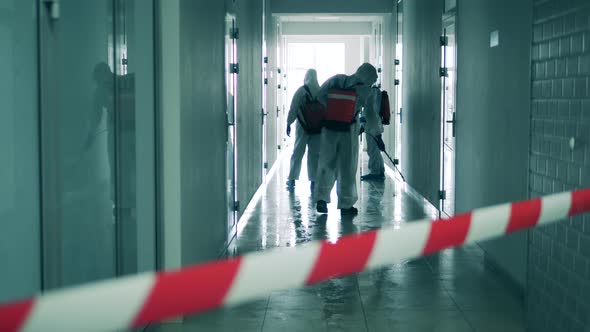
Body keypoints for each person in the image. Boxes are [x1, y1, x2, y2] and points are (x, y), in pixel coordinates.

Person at [314, 63, 378, 215]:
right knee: (347, 167)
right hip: (349, 130)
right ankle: (346, 204)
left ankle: (321, 199)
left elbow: (320, 96)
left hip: (329, 128)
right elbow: (371, 115)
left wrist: (332, 110)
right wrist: (375, 132)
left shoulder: (337, 80)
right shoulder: (367, 91)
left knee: (326, 163)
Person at [286, 69, 322, 191]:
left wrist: (288, 123)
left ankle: (292, 179)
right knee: (314, 155)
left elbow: (293, 108)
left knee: (297, 152)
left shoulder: (301, 91)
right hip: (317, 128)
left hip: (302, 127)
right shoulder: (321, 91)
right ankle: (314, 180)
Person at [360, 86, 386, 181]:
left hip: (372, 126)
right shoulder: (375, 92)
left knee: (372, 149)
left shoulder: (371, 94)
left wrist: (363, 124)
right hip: (373, 124)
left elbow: (369, 111)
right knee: (375, 149)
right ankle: (380, 170)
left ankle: (375, 172)